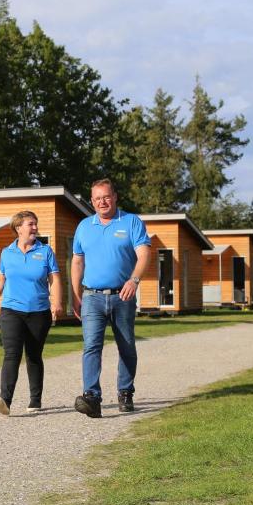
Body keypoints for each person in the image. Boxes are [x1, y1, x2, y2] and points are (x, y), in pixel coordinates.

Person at [71, 179, 151, 418]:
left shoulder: (131, 222)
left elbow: (144, 254)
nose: (102, 202)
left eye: (106, 197)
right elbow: (77, 261)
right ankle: (92, 397)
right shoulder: (84, 226)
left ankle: (125, 392)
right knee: (91, 347)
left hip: (122, 296)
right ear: (92, 201)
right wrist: (75, 296)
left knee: (126, 346)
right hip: (91, 297)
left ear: (115, 196)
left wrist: (134, 280)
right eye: (97, 199)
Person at [0, 210, 65, 416]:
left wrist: (56, 302)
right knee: (11, 354)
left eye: (36, 224)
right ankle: (5, 400)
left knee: (33, 355)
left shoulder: (45, 251)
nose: (35, 228)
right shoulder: (7, 253)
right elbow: (0, 280)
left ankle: (35, 400)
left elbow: (54, 279)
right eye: (31, 224)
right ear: (18, 228)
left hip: (39, 312)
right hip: (11, 310)